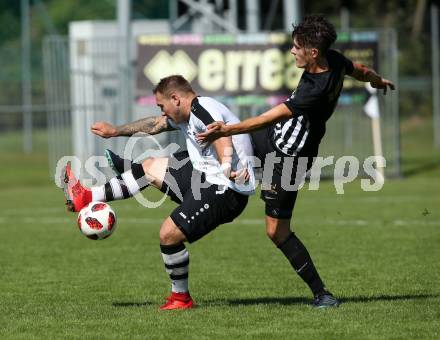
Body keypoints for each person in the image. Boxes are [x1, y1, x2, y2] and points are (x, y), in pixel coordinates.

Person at [197, 15, 395, 308]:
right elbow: (361, 70)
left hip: (288, 158)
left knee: (276, 231)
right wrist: (378, 80)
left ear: (312, 53)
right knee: (219, 150)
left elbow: (266, 117)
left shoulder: (313, 91)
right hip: (272, 138)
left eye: (296, 47)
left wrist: (227, 130)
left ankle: (322, 294)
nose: (292, 51)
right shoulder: (336, 59)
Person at [62, 75, 256, 310]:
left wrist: (226, 165)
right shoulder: (187, 113)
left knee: (168, 234)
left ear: (175, 99)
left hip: (227, 191)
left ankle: (181, 298)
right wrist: (115, 131)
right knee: (149, 168)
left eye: (162, 106)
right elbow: (155, 124)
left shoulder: (203, 109)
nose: (162, 112)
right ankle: (88, 197)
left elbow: (221, 135)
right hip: (206, 178)